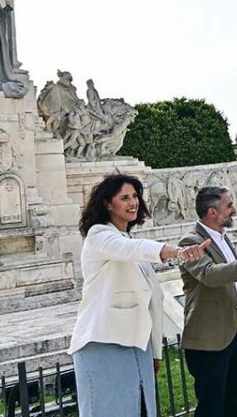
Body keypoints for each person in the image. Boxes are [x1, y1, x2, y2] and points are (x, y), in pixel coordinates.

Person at [68, 173, 209, 417]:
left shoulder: (128, 242)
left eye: (135, 196)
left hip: (138, 348)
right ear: (107, 204)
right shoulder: (98, 236)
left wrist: (154, 352)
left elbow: (155, 301)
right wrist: (175, 251)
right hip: (103, 344)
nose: (133, 202)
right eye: (124, 197)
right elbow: (132, 249)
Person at [178, 186, 237, 417]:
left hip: (233, 332)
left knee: (232, 399)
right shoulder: (190, 241)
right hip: (209, 340)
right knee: (212, 406)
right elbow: (210, 274)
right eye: (229, 205)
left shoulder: (222, 237)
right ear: (212, 211)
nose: (234, 210)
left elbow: (229, 278)